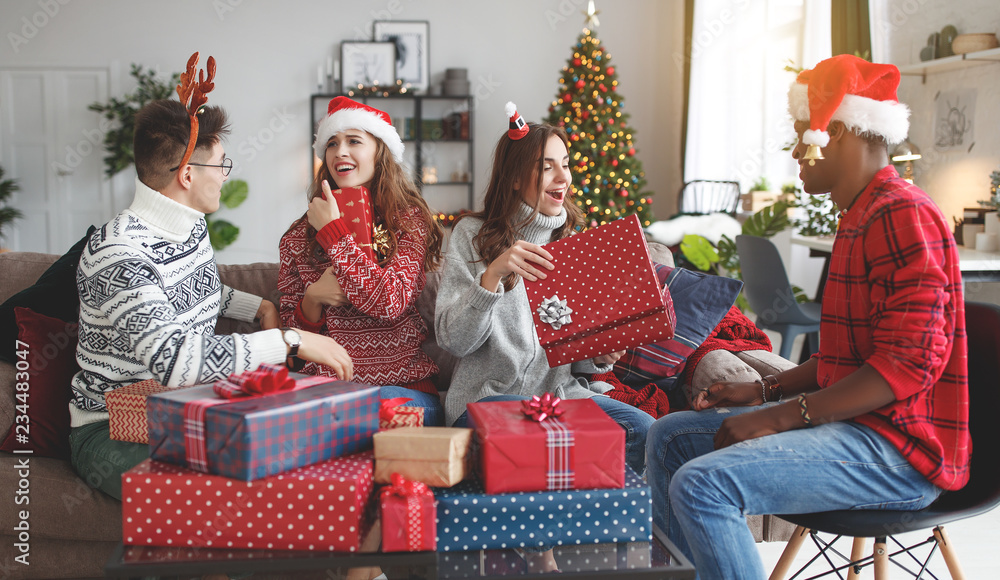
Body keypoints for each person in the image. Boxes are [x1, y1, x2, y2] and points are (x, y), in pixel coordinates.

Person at [645, 54, 969, 579]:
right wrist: (763, 391)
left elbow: (904, 368)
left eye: (802, 135)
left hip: (896, 452)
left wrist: (776, 417)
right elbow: (842, 361)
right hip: (856, 430)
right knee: (670, 439)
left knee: (704, 484)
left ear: (835, 130)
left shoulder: (900, 213)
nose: (796, 152)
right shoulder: (859, 217)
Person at [70, 57, 351, 501]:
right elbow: (178, 362)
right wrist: (291, 340)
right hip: (112, 431)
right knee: (231, 490)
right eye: (221, 165)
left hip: (177, 411)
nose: (226, 175)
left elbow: (196, 291)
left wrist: (257, 307)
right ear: (187, 175)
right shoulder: (118, 254)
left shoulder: (188, 223)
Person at [435, 102, 655, 478]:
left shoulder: (574, 243)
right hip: (489, 400)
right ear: (517, 177)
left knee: (644, 432)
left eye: (565, 164)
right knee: (537, 437)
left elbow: (573, 356)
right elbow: (453, 341)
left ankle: (585, 525)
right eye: (546, 166)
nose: (562, 177)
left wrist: (601, 354)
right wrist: (492, 277)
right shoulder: (471, 235)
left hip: (560, 399)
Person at [278, 96, 445, 426]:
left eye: (354, 141)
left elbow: (389, 301)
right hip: (328, 393)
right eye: (332, 143)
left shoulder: (409, 222)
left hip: (402, 390)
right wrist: (312, 298)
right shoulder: (298, 236)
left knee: (368, 412)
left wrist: (333, 233)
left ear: (379, 152)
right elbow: (293, 351)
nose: (340, 151)